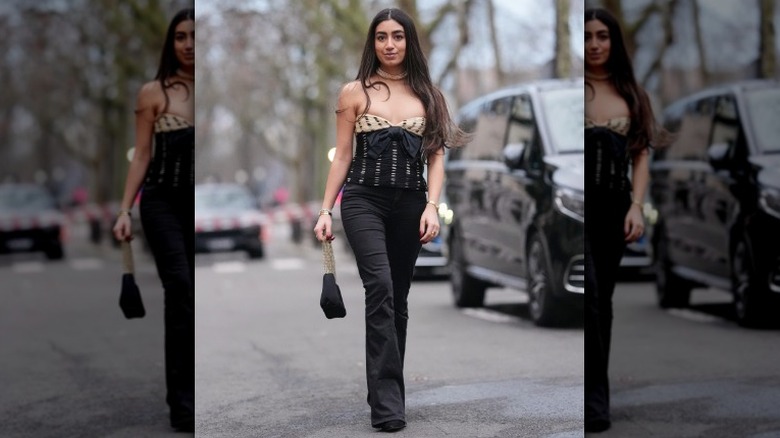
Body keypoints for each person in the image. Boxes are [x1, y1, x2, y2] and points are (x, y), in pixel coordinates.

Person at [313, 8, 466, 433]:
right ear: (373, 43)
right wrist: (326, 209)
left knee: (397, 299)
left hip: (410, 205)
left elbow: (435, 159)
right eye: (381, 37)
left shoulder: (430, 97)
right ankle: (387, 404)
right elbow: (343, 155)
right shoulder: (354, 93)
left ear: (408, 41)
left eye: (397, 36)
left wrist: (432, 205)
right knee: (378, 286)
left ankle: (384, 388)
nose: (390, 44)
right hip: (363, 201)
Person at [112, 8, 194, 433]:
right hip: (162, 203)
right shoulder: (154, 93)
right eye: (180, 36)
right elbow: (142, 156)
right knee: (179, 286)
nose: (188, 44)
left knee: (196, 294)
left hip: (195, 206)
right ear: (171, 42)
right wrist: (126, 209)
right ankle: (182, 403)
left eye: (196, 36)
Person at [584, 7, 665, 433]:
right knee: (591, 299)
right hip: (581, 205)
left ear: (613, 42)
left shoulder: (632, 93)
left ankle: (595, 394)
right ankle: (592, 402)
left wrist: (636, 205)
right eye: (587, 36)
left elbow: (641, 157)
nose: (595, 44)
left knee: (604, 306)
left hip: (615, 208)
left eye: (602, 36)